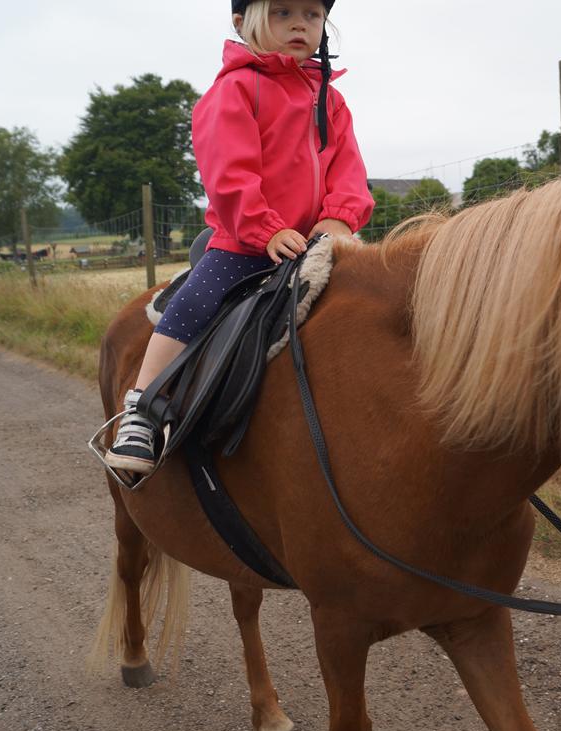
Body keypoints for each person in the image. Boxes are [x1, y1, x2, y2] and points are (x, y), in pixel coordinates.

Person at [106, 0, 373, 473]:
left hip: (321, 243)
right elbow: (229, 174)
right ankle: (141, 409)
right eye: (281, 12)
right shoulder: (233, 90)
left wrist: (338, 218)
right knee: (194, 300)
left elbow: (348, 167)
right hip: (248, 244)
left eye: (312, 15)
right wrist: (266, 228)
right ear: (241, 23)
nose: (299, 24)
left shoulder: (331, 99)